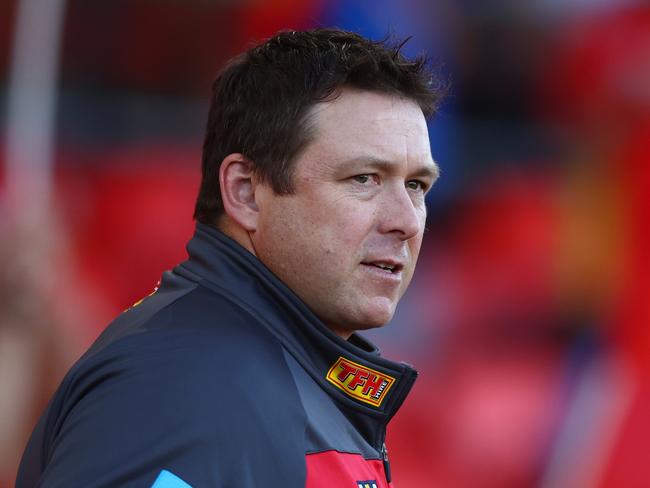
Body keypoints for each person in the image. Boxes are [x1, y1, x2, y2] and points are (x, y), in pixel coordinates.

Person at [16, 28, 444, 487]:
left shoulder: (261, 377)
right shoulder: (186, 392)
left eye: (416, 185)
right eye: (363, 178)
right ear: (245, 192)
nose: (407, 220)